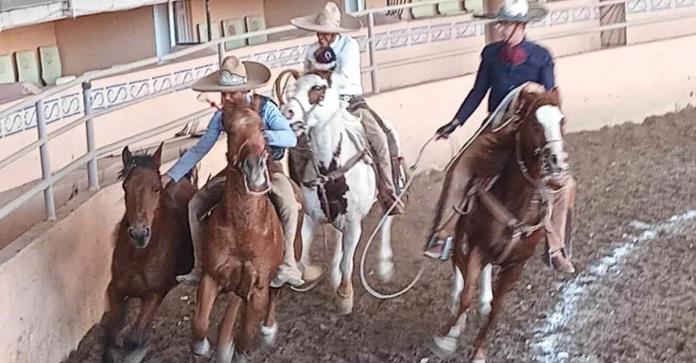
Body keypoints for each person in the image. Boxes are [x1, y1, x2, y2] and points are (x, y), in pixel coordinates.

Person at [423, 0, 576, 273]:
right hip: (496, 127)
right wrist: (456, 122)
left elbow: (551, 100)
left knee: (564, 183)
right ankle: (443, 233)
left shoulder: (541, 56)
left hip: (530, 132)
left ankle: (555, 247)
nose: (501, 29)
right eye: (500, 24)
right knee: (459, 168)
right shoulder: (490, 54)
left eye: (505, 25)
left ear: (521, 26)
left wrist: (537, 91)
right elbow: (478, 91)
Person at [163, 56, 320, 288]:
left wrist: (262, 137)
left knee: (290, 204)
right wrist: (171, 175)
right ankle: (199, 266)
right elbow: (200, 148)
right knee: (195, 204)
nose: (227, 97)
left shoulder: (266, 109)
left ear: (245, 89)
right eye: (223, 93)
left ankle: (288, 262)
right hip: (235, 172)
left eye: (232, 93)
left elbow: (289, 137)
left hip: (268, 168)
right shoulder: (221, 116)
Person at [291, 1, 405, 215]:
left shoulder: (349, 46)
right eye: (319, 33)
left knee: (380, 136)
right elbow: (306, 78)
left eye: (326, 33)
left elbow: (345, 77)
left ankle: (388, 190)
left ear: (336, 32)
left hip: (350, 102)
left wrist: (321, 80)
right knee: (296, 143)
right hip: (319, 105)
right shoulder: (311, 50)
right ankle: (300, 194)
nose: (322, 37)